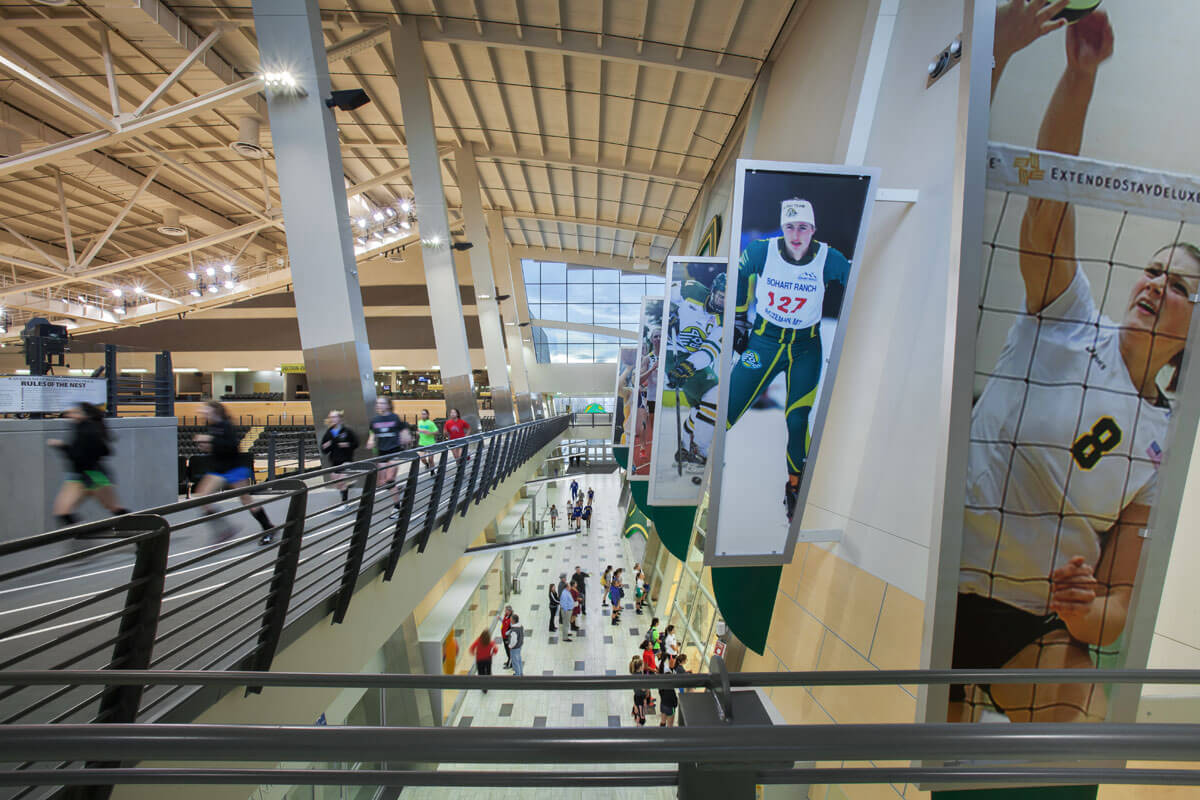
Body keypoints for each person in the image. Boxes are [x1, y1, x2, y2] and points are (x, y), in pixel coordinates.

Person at [951, 8, 1197, 725]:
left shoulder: (1163, 444)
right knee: (930, 745)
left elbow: (1118, 608)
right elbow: (1048, 202)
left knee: (1077, 722)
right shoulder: (1068, 319)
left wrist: (1087, 612)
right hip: (949, 576)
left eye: (1180, 286)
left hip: (1033, 611)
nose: (1155, 284)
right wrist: (1079, 76)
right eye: (1154, 270)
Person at [727, 197, 853, 521]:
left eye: (802, 227)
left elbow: (857, 278)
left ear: (813, 230)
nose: (796, 235)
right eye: (789, 227)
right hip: (764, 343)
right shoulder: (761, 251)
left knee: (797, 421)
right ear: (782, 229)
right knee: (728, 405)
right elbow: (740, 273)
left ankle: (795, 486)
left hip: (805, 348)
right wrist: (740, 318)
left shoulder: (829, 257)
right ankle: (698, 458)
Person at [665, 271, 726, 471]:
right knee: (713, 396)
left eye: (728, 298)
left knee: (702, 407)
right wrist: (667, 313)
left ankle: (685, 447)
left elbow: (709, 351)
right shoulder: (692, 289)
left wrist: (688, 366)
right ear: (714, 290)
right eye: (721, 295)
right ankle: (699, 450)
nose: (723, 301)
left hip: (692, 360)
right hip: (670, 351)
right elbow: (666, 295)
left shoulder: (723, 321)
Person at [195, 401, 274, 544]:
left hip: (234, 468)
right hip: (218, 469)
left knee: (246, 501)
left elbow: (231, 446)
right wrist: (206, 445)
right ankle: (225, 530)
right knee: (202, 498)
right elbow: (216, 448)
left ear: (215, 412)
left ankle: (268, 528)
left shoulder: (227, 425)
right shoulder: (212, 426)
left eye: (206, 410)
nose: (203, 412)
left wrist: (210, 440)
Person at [48, 402, 130, 528]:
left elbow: (81, 454)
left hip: (91, 474)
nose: (70, 415)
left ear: (85, 414)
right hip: (83, 475)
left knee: (113, 508)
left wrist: (62, 447)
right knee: (63, 512)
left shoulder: (88, 430)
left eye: (75, 412)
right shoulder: (83, 427)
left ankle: (141, 531)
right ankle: (83, 537)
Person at [367, 397, 413, 519]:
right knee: (381, 483)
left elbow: (404, 429)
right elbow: (372, 433)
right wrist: (370, 441)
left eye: (382, 403)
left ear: (388, 405)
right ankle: (397, 488)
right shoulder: (374, 420)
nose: (380, 405)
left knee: (389, 479)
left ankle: (397, 507)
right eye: (378, 403)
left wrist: (406, 436)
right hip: (382, 452)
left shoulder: (394, 418)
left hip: (394, 451)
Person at [320, 410, 359, 510]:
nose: (332, 419)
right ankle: (347, 485)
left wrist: (347, 445)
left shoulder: (347, 431)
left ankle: (344, 503)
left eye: (334, 417)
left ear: (339, 418)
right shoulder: (329, 432)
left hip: (346, 459)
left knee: (341, 481)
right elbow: (324, 449)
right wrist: (326, 446)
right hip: (334, 461)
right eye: (331, 417)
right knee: (338, 483)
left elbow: (356, 443)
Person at [630, 656, 649, 727]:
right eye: (643, 665)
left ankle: (638, 724)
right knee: (641, 714)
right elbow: (643, 688)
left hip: (636, 696)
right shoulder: (641, 676)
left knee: (638, 713)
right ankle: (640, 725)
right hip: (641, 698)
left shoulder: (633, 674)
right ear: (640, 667)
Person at [557, 572, 576, 640]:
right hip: (566, 609)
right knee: (566, 623)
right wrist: (566, 610)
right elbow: (563, 600)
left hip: (568, 608)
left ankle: (567, 633)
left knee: (567, 623)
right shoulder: (562, 588)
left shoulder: (565, 587)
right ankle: (565, 637)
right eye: (564, 578)